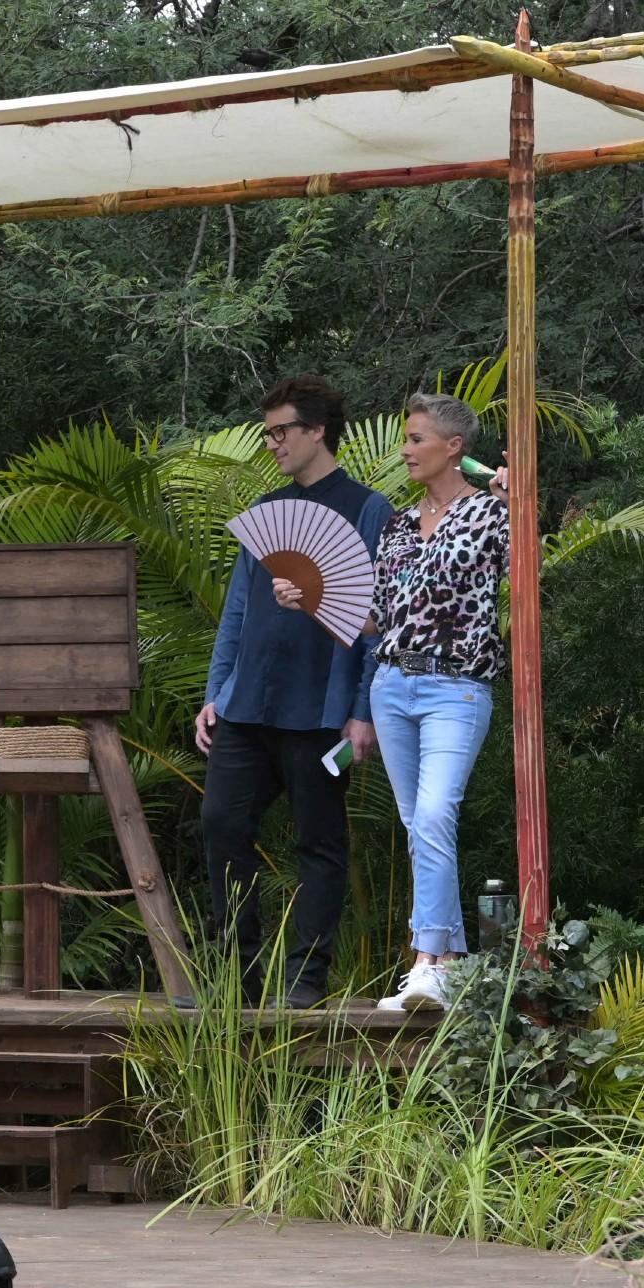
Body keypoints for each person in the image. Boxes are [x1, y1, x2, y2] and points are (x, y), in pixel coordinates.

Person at [280, 393, 509, 1014]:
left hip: (456, 687)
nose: (404, 450)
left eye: (415, 439)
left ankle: (425, 961)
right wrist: (310, 598)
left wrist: (522, 495)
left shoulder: (492, 515)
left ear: (453, 447)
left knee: (434, 816)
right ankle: (446, 963)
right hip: (392, 686)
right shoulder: (401, 527)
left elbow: (531, 569)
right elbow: (375, 617)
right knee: (419, 826)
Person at [194, 377, 392, 1008]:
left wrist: (362, 711)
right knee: (221, 826)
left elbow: (378, 624)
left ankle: (306, 981)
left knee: (319, 841)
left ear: (317, 431)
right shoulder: (267, 512)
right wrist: (216, 691)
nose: (272, 441)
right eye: (268, 431)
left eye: (281, 430)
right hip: (246, 704)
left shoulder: (370, 510)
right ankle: (236, 980)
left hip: (320, 713)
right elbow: (235, 614)